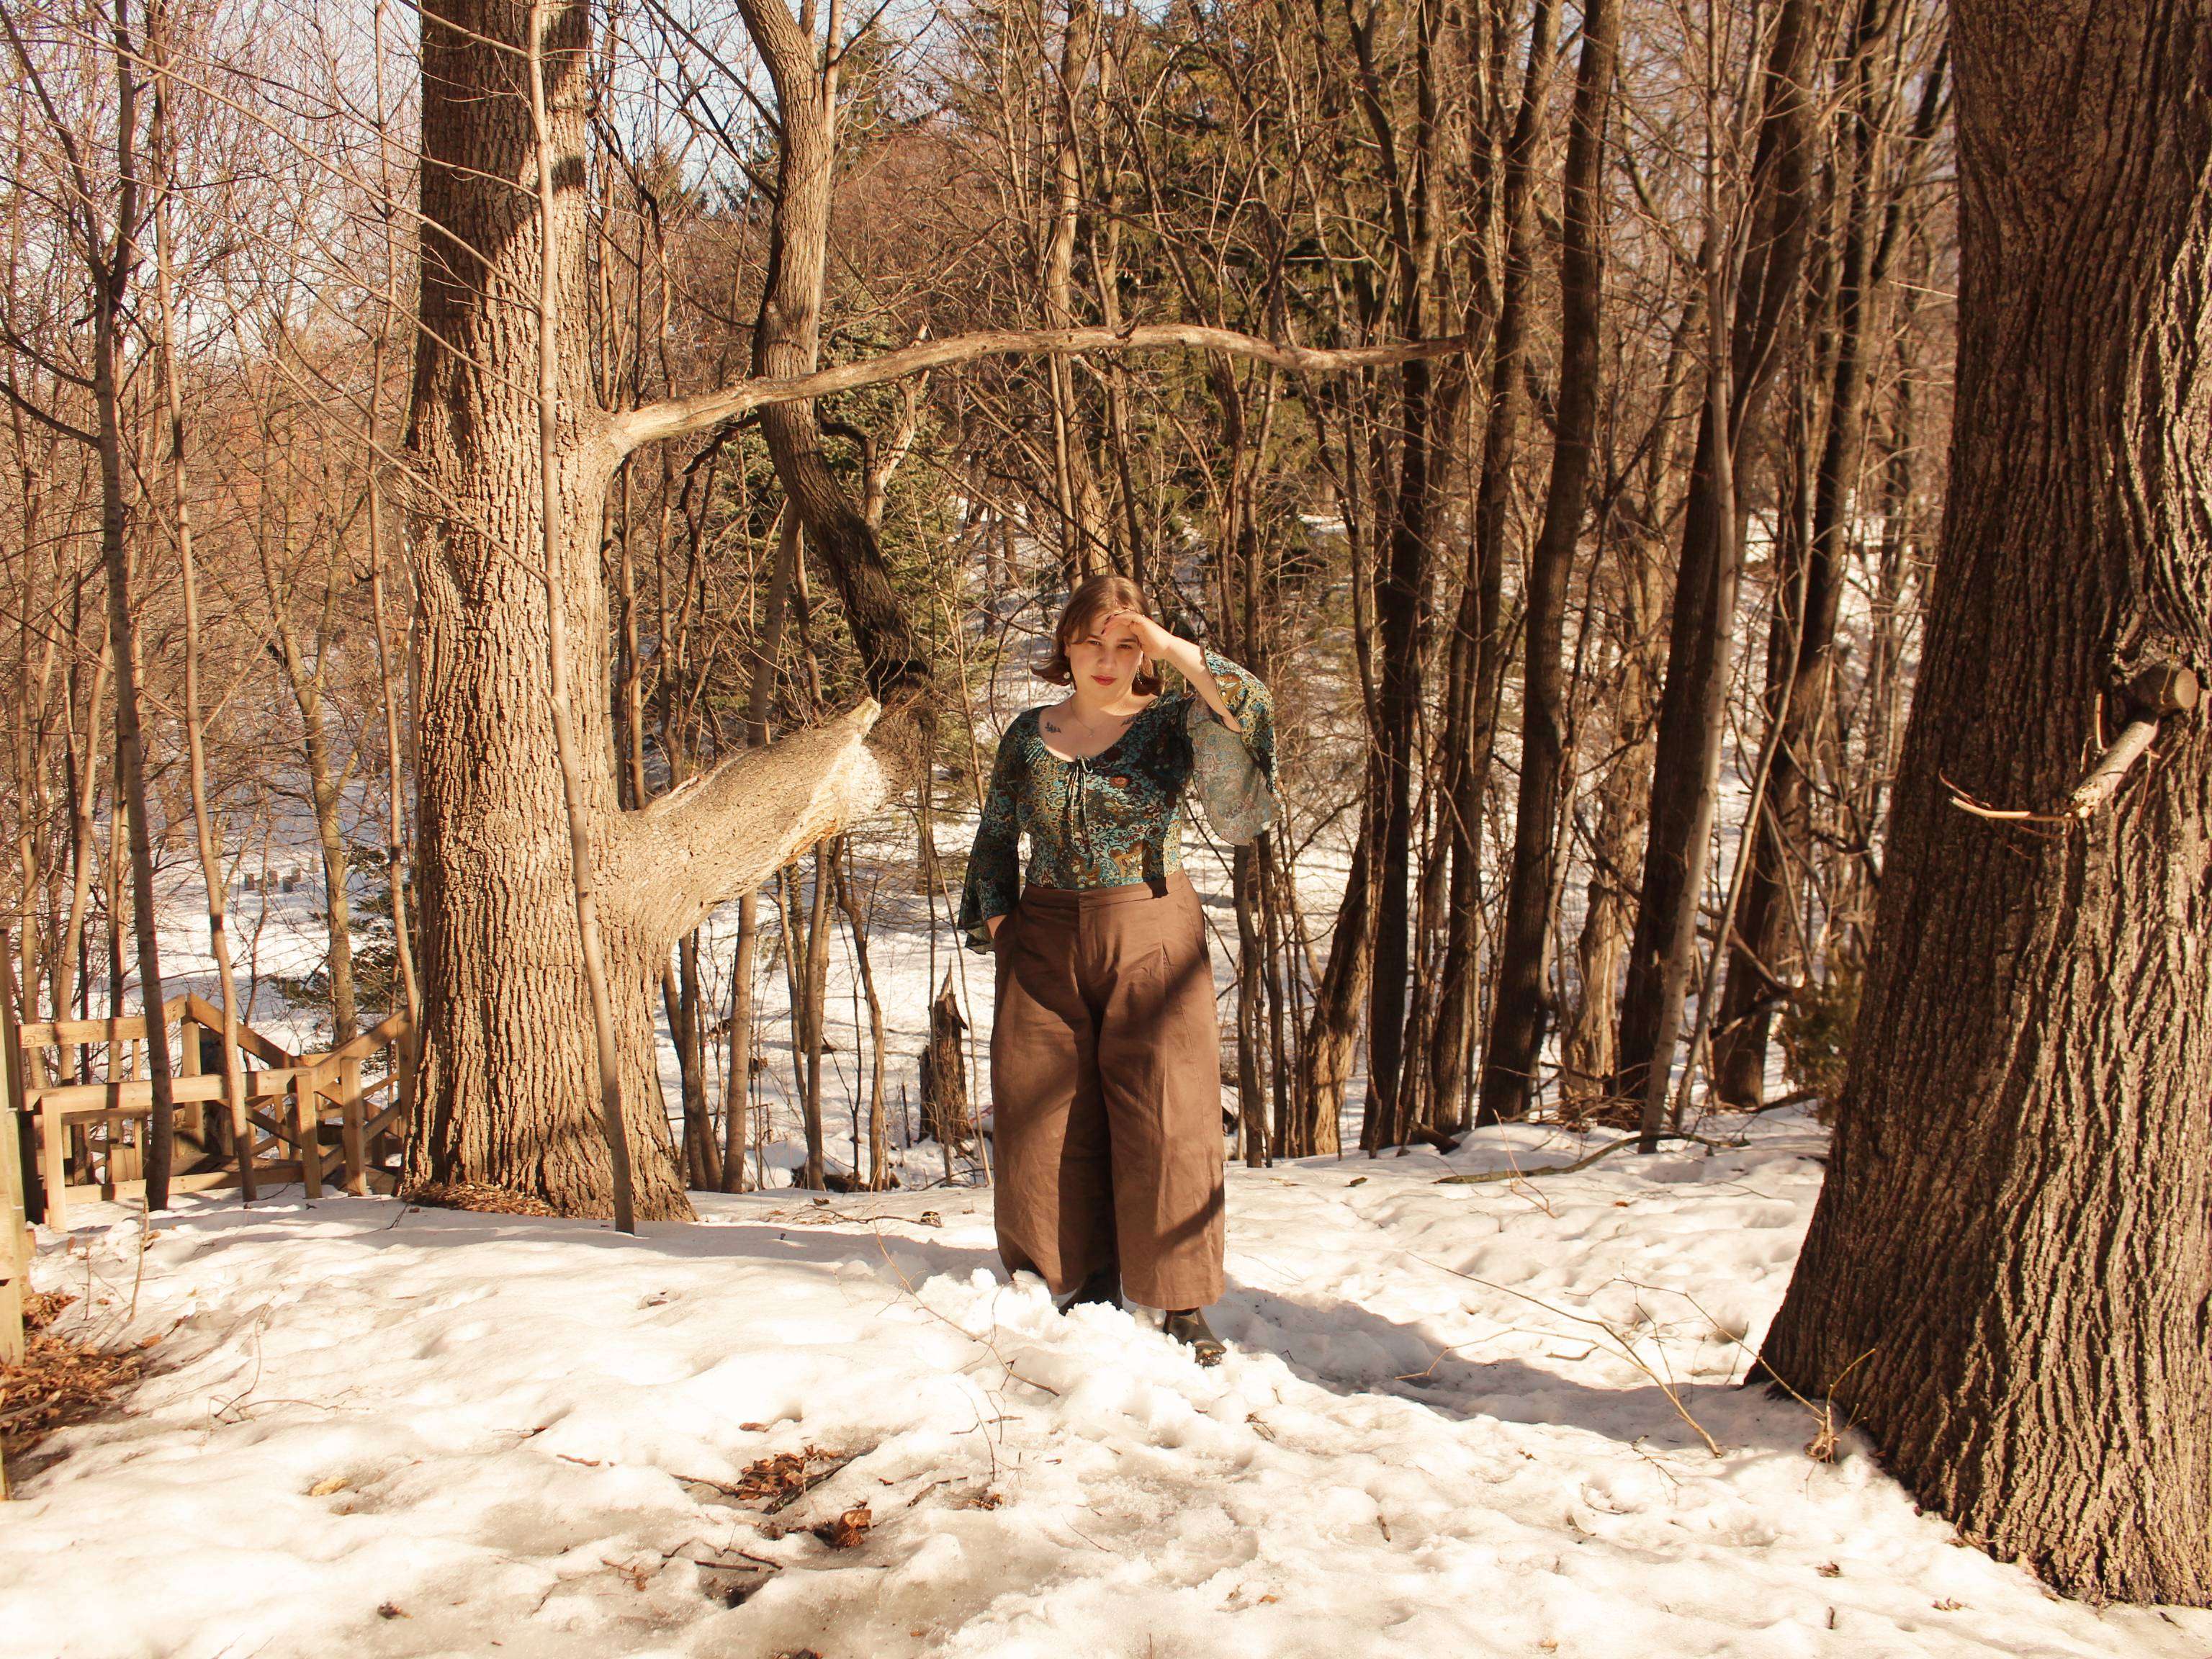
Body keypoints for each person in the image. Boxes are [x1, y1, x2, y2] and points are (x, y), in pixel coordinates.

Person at [958, 573, 1276, 1367]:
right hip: (1044, 934)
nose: (1106, 659)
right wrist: (1001, 921)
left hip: (1150, 929)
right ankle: (1064, 1279)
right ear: (1065, 644)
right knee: (1043, 1112)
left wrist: (1171, 646)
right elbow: (995, 833)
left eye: (1124, 643)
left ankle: (1180, 1300)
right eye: (1091, 641)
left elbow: (1253, 711)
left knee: (1170, 1112)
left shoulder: (1172, 722)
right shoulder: (1029, 733)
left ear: (1146, 654)